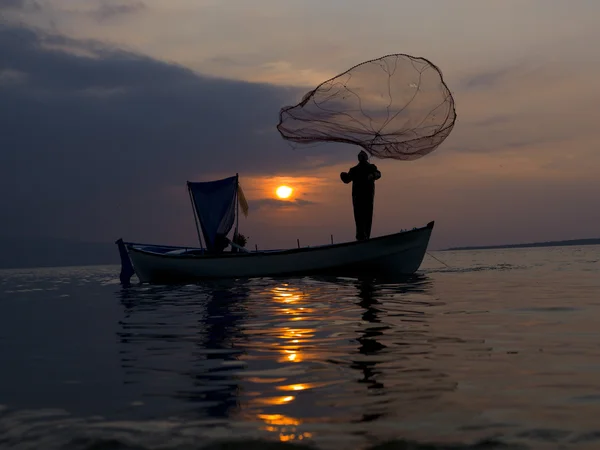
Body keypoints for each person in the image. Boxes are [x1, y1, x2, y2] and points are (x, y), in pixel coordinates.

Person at [340, 150, 382, 240]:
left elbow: (378, 174)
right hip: (358, 198)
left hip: (367, 197)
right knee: (360, 218)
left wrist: (373, 175)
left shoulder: (370, 167)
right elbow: (347, 179)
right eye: (360, 156)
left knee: (365, 217)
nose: (362, 158)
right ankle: (361, 237)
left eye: (363, 156)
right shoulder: (354, 170)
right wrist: (343, 175)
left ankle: (364, 237)